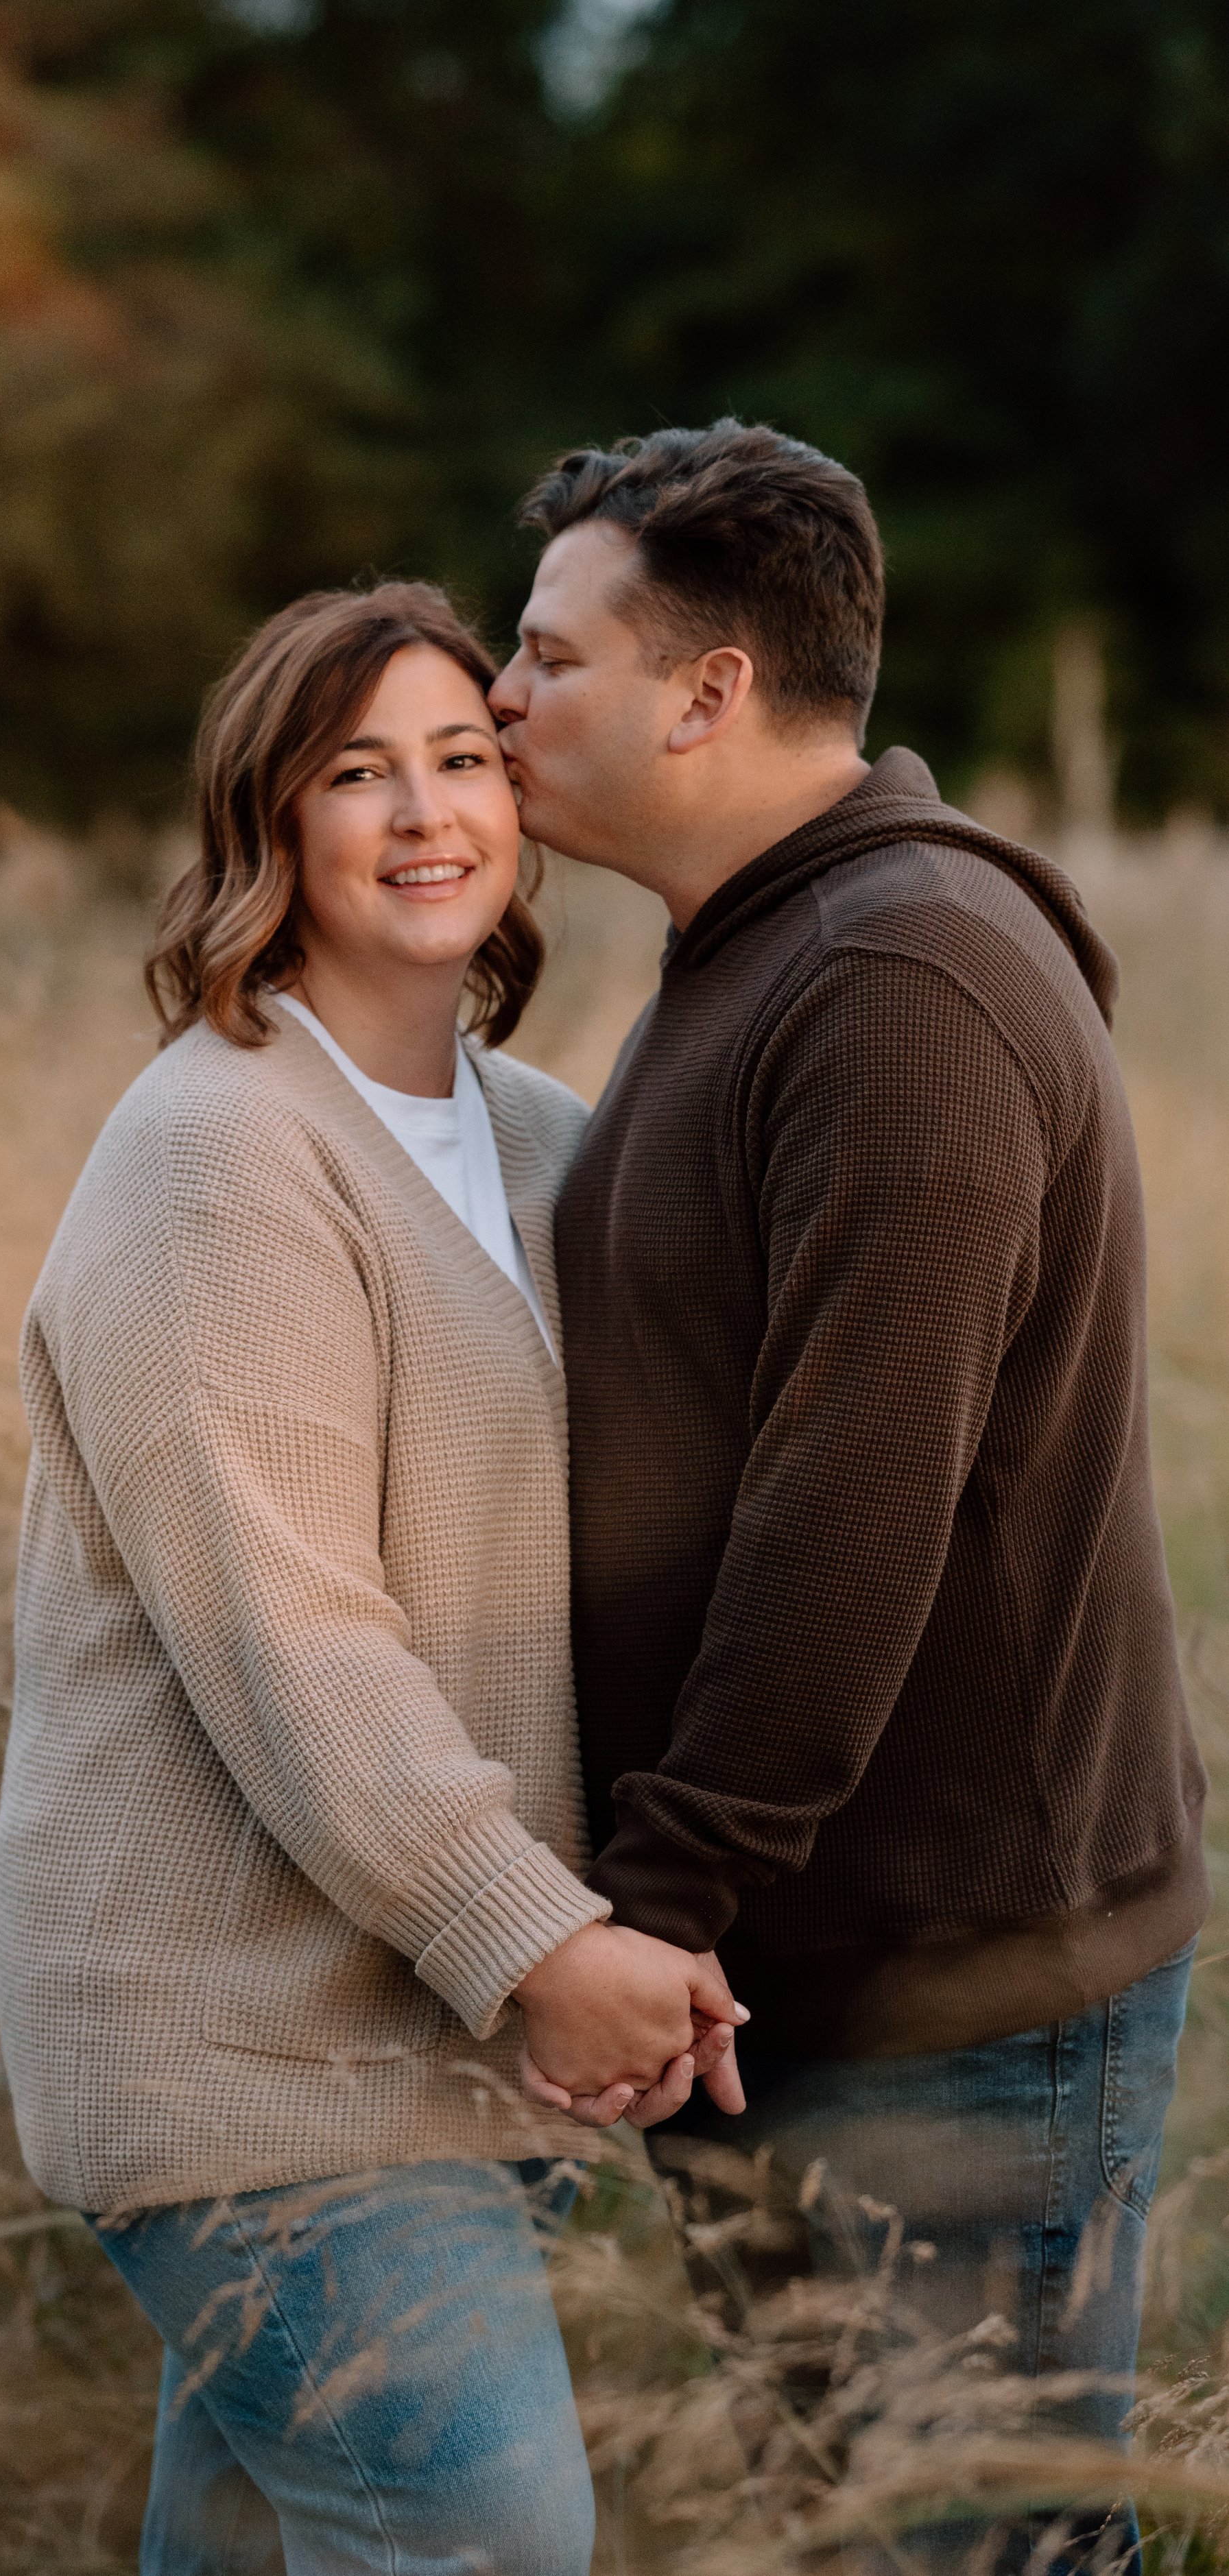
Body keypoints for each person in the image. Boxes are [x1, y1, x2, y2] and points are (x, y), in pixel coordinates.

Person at [492, 422, 1207, 2567]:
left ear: (706, 692)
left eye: (545, 655)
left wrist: (662, 1901)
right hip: (827, 1969)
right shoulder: (762, 948)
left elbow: (850, 1501)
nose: (496, 696)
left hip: (955, 1988)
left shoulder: (891, 980)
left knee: (956, 2552)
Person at [0, 579, 745, 2576]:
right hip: (252, 2049)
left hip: (439, 2036)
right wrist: (536, 1940)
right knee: (484, 2533)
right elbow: (287, 1628)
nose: (423, 812)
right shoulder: (222, 1152)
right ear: (270, 826)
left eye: (462, 758)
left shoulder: (536, 1137)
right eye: (356, 771)